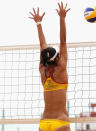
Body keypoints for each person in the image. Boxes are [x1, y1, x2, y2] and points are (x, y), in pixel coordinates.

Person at [29, 2, 70, 131]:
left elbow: (42, 44)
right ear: (57, 57)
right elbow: (63, 41)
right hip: (60, 121)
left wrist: (38, 24)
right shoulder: (61, 68)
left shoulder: (43, 70)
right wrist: (62, 18)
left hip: (44, 121)